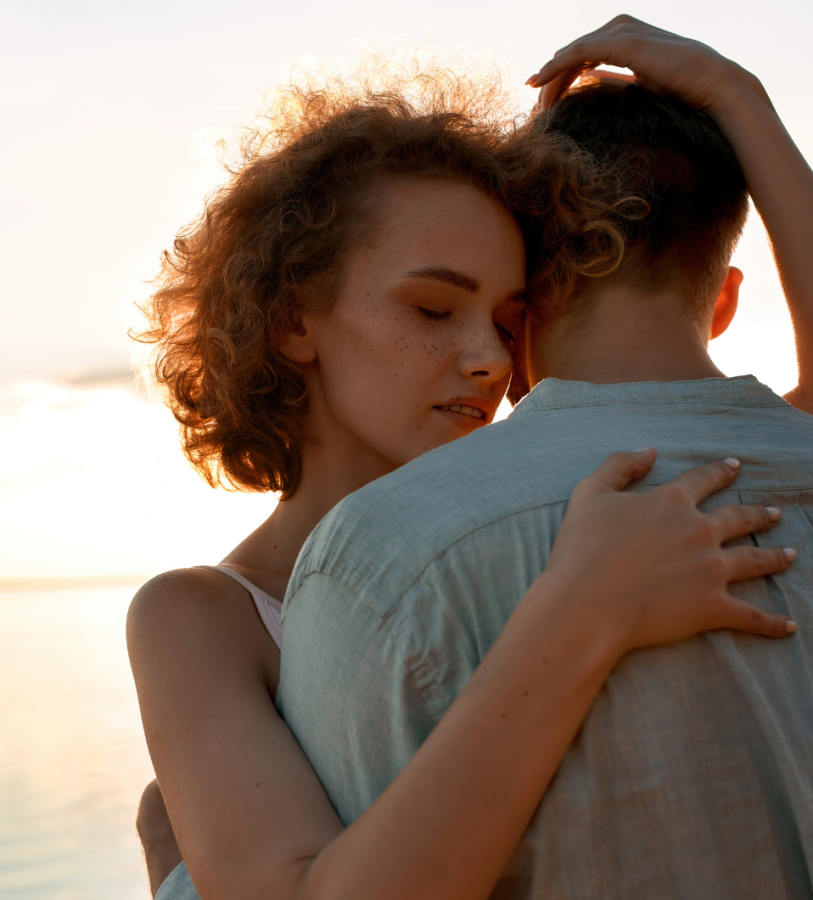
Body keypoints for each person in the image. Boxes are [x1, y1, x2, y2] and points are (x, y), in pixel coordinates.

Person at [128, 31, 806, 900]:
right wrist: (583, 612)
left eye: (509, 314)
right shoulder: (197, 615)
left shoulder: (590, 502)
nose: (490, 359)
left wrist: (732, 97)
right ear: (295, 319)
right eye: (435, 307)